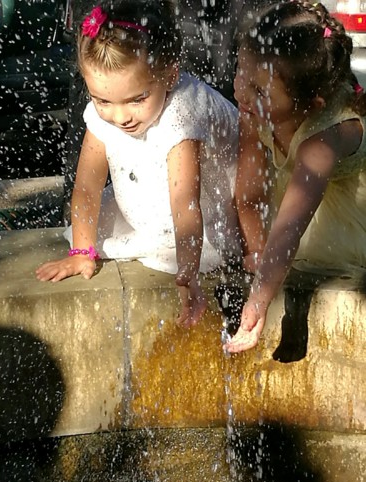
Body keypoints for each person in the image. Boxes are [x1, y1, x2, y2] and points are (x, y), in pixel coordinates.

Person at [36, 0, 242, 328]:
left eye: (136, 99)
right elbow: (87, 186)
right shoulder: (107, 110)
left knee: (180, 251)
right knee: (87, 231)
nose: (120, 117)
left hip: (220, 206)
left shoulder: (181, 113)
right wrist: (82, 253)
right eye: (102, 100)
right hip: (168, 195)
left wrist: (188, 275)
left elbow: (185, 203)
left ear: (170, 74)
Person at [226, 0, 366, 353]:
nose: (242, 92)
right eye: (241, 71)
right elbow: (249, 193)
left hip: (353, 246)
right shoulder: (253, 113)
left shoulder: (326, 136)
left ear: (312, 104)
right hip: (307, 245)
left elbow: (289, 226)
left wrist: (258, 301)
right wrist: (256, 253)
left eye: (259, 91)